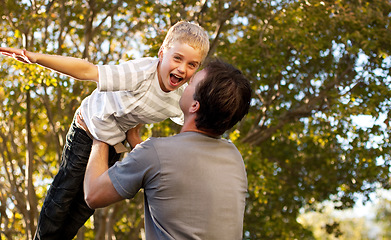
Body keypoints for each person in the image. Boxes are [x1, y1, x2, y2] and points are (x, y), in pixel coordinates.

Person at [0, 21, 209, 240]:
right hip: (88, 128)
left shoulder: (181, 98)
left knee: (84, 207)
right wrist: (35, 57)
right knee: (66, 192)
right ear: (162, 53)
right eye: (177, 58)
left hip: (112, 142)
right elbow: (87, 70)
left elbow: (198, 125)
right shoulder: (141, 73)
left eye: (192, 64)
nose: (182, 69)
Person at [83, 59, 252, 239]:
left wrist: (100, 131)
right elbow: (175, 172)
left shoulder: (155, 153)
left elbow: (93, 194)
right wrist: (134, 139)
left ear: (195, 105)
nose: (186, 83)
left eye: (191, 83)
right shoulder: (234, 158)